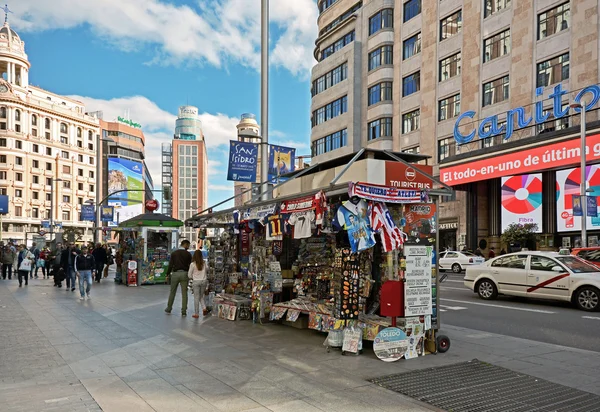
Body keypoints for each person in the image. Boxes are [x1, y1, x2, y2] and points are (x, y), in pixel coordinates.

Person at [165, 240, 192, 316]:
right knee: (184, 293)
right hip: (184, 274)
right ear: (185, 245)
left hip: (175, 274)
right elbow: (191, 265)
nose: (188, 247)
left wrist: (167, 274)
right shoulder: (188, 254)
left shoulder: (174, 253)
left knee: (172, 292)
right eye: (188, 245)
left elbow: (170, 265)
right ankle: (184, 311)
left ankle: (169, 308)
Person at [188, 250, 209, 318]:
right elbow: (207, 270)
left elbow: (189, 275)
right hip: (204, 281)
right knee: (200, 296)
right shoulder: (204, 263)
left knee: (196, 298)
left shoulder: (192, 264)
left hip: (196, 282)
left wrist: (193, 277)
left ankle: (196, 313)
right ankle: (204, 308)